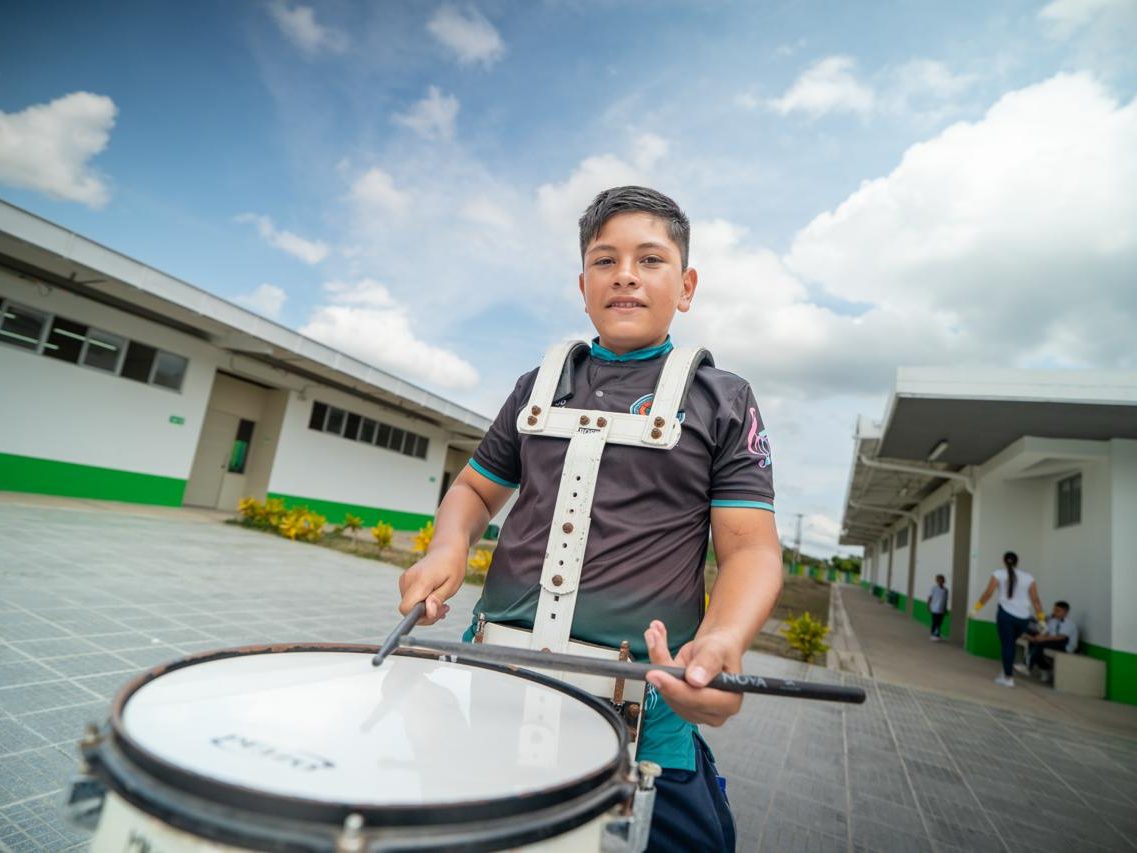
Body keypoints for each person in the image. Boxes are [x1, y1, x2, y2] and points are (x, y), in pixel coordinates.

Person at [396, 186, 783, 852]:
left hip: (641, 709)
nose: (625, 273)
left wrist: (721, 640)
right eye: (604, 261)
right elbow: (473, 489)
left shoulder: (723, 398)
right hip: (496, 685)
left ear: (685, 286)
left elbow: (749, 547)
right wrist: (447, 546)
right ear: (582, 286)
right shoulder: (538, 383)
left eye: (649, 259)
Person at [971, 551, 1045, 687]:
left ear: (1004, 561)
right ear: (1017, 561)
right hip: (1023, 618)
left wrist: (975, 609)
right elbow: (1036, 600)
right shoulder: (1028, 577)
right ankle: (1006, 671)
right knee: (1011, 644)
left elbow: (988, 594)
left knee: (1007, 645)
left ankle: (1008, 677)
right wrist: (1041, 619)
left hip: (1006, 615)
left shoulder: (998, 574)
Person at [1022, 600, 1079, 682]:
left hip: (1065, 646)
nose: (1055, 612)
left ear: (1065, 612)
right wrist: (1037, 637)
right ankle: (1045, 668)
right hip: (1052, 643)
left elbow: (1060, 637)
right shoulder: (1052, 621)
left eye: (1058, 611)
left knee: (1040, 644)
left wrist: (1043, 639)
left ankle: (1027, 665)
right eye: (1054, 610)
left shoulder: (1069, 624)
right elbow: (1046, 632)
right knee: (1035, 643)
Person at [927, 574, 948, 641]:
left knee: (940, 622)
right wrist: (928, 606)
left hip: (941, 609)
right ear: (937, 581)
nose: (940, 581)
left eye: (942, 580)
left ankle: (937, 634)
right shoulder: (934, 588)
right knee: (935, 622)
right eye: (939, 580)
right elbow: (930, 597)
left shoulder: (946, 590)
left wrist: (945, 608)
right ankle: (933, 634)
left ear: (944, 581)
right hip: (935, 608)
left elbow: (945, 600)